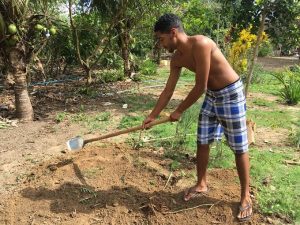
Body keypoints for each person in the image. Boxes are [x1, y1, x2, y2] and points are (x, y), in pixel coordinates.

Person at [142, 13, 252, 222]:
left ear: (173, 33)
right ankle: (201, 183)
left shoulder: (201, 43)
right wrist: (152, 115)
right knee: (202, 141)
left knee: (239, 147)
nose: (160, 44)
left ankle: (245, 195)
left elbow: (199, 86)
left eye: (161, 38)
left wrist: (179, 111)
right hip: (212, 96)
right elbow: (167, 91)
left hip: (230, 94)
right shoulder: (176, 59)